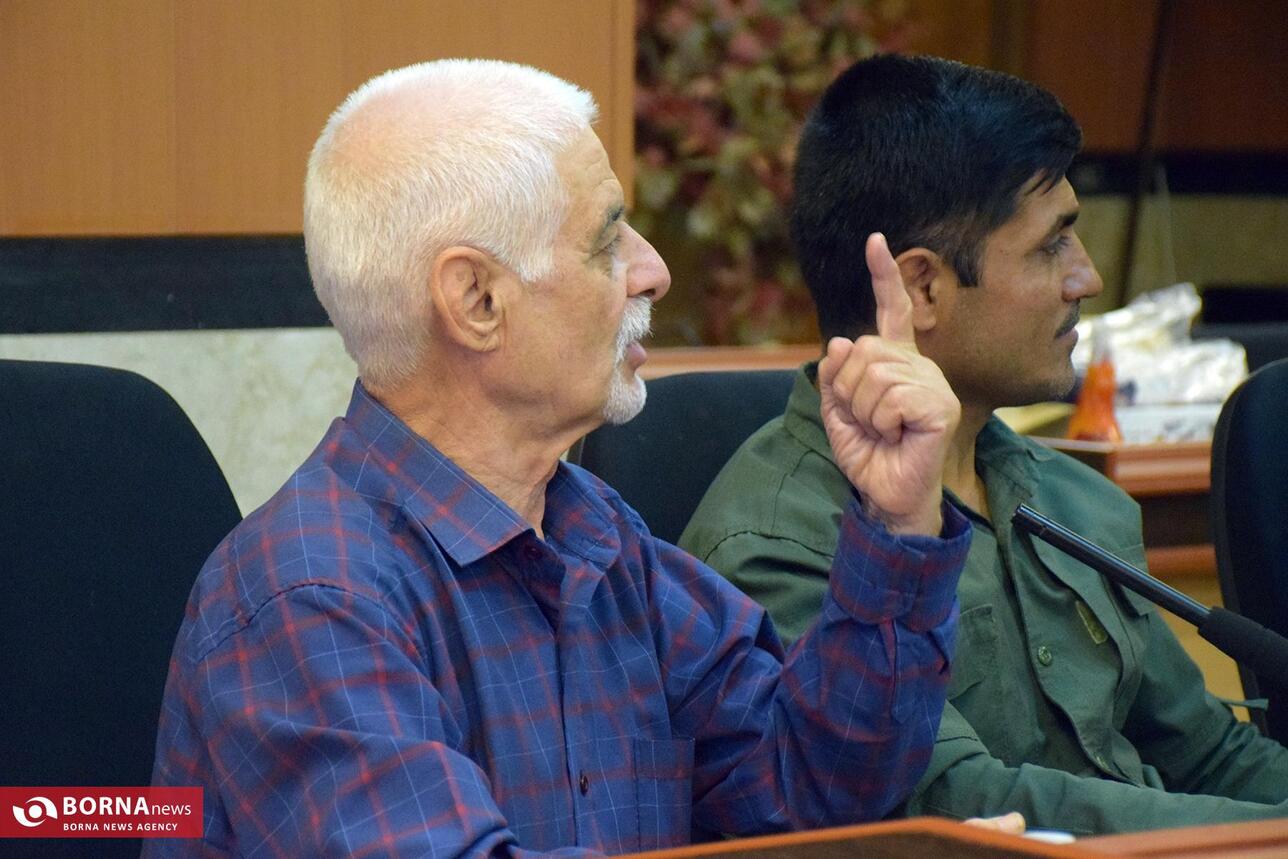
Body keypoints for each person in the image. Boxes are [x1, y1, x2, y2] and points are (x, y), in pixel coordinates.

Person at [146, 59, 973, 856]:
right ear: (476, 300)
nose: (653, 272)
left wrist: (897, 521)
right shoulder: (309, 597)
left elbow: (813, 788)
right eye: (607, 241)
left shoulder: (594, 529)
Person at [680, 54, 1288, 835]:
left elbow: (1208, 755)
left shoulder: (1076, 499)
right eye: (1052, 245)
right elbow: (962, 799)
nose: (1087, 278)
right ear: (923, 288)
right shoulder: (776, 541)